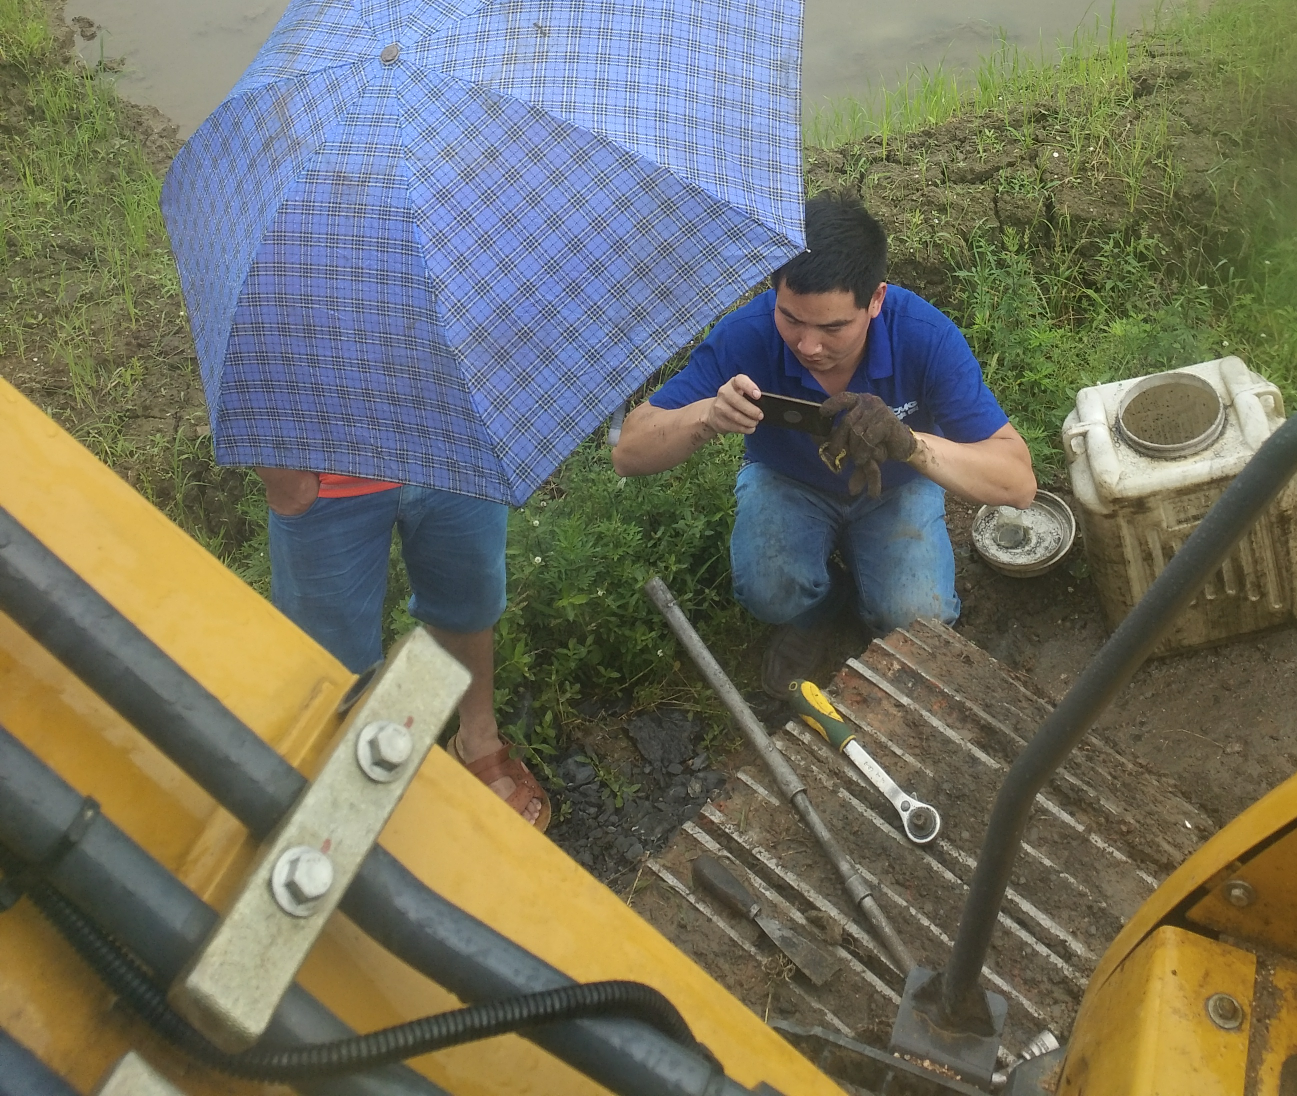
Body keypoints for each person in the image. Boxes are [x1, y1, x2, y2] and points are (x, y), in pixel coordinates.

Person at [612, 192, 1037, 694]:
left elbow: (1018, 482)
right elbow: (628, 451)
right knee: (769, 591)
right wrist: (706, 415)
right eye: (791, 319)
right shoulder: (747, 334)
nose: (808, 346)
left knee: (917, 616)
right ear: (775, 291)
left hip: (897, 487)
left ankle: (872, 603)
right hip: (788, 481)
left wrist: (909, 445)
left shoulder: (925, 338)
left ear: (875, 300)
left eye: (833, 327)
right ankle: (818, 609)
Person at [258, 467, 549, 829]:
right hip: (324, 468)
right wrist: (286, 480)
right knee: (333, 658)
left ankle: (476, 739)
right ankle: (357, 774)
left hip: (453, 449)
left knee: (469, 603)